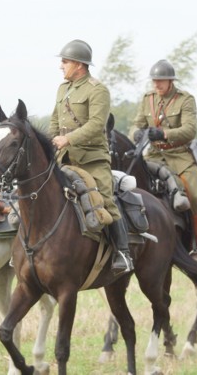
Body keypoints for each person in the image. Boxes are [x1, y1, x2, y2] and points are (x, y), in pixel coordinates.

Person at [49, 39, 133, 274]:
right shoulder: (62, 89)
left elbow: (97, 124)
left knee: (105, 200)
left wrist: (69, 138)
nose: (61, 66)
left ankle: (123, 253)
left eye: (64, 62)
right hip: (64, 159)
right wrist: (52, 139)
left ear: (78, 64)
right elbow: (55, 120)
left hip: (92, 159)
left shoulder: (97, 90)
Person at [132, 59, 197, 265]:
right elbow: (136, 124)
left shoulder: (186, 100)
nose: (157, 85)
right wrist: (137, 134)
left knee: (195, 193)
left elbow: (190, 130)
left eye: (161, 81)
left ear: (170, 81)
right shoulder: (148, 99)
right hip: (153, 155)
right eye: (155, 81)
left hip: (180, 155)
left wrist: (164, 133)